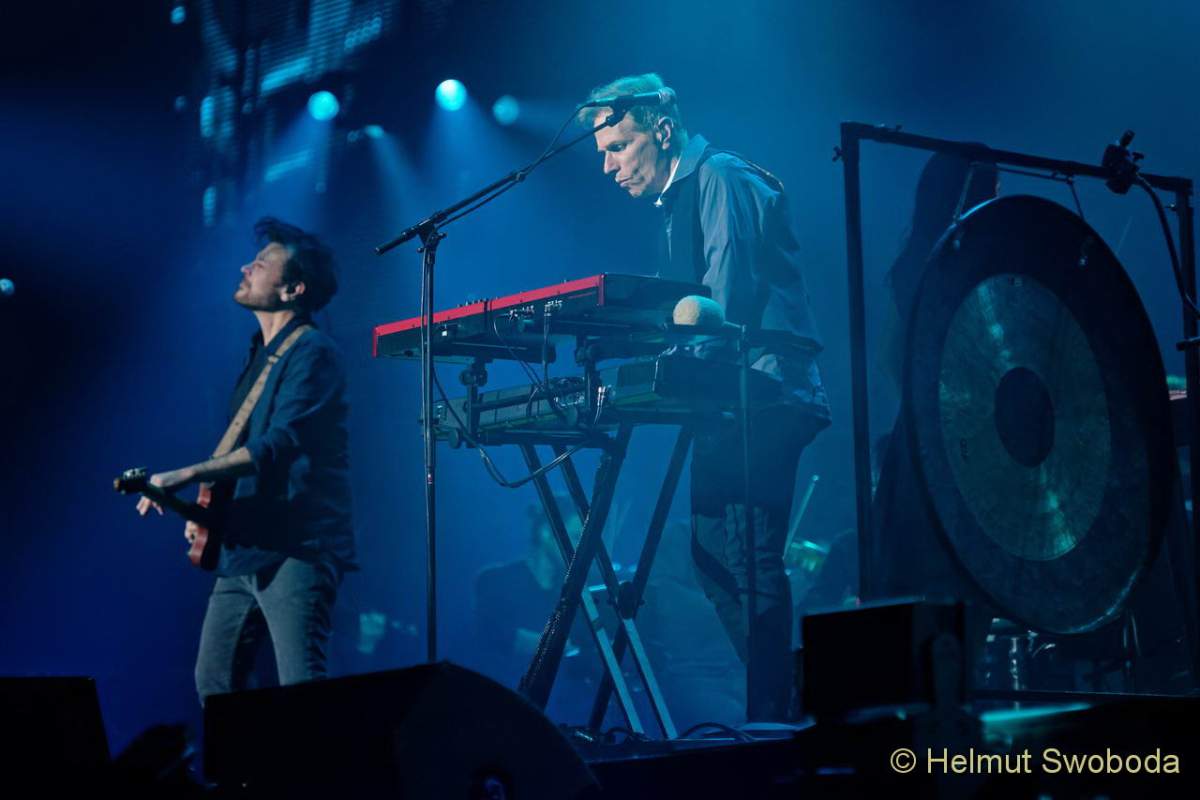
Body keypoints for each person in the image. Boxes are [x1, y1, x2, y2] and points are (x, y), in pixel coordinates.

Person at [583, 73, 831, 721]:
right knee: (712, 554)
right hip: (731, 396)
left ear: (663, 131)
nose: (608, 167)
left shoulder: (720, 177)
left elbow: (726, 298)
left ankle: (780, 716)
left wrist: (665, 372)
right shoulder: (677, 200)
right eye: (603, 153)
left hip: (766, 389)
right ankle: (789, 701)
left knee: (748, 556)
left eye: (618, 147)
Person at [135, 218, 355, 704]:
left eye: (260, 263)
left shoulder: (314, 352)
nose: (245, 268)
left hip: (296, 547)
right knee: (216, 684)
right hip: (244, 544)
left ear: (293, 289)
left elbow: (279, 444)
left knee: (302, 691)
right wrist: (210, 510)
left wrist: (187, 473)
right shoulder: (262, 354)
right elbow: (248, 449)